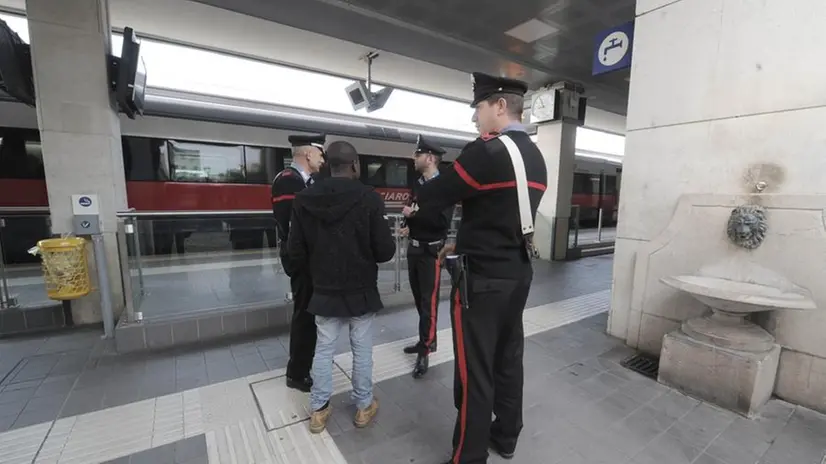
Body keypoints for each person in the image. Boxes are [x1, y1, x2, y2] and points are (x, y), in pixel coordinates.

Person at [415, 72, 548, 464]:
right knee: (508, 358)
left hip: (482, 282)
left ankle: (467, 457)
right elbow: (503, 213)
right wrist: (467, 238)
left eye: (478, 108)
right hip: (518, 272)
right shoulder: (536, 157)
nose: (475, 118)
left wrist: (428, 172)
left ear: (499, 106)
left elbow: (436, 196)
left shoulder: (486, 152)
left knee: (475, 371)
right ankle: (506, 436)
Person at [287, 140, 396, 434]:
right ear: (355, 165)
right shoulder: (370, 199)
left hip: (323, 289)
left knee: (323, 349)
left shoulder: (304, 199)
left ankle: (319, 410)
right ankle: (363, 407)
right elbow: (385, 251)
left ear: (326, 165)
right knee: (361, 349)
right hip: (361, 288)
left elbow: (294, 251)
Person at [271, 133, 326, 393]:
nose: (322, 159)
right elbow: (293, 227)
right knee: (304, 315)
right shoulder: (288, 182)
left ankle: (304, 365)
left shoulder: (306, 181)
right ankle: (297, 372)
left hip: (309, 257)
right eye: (319, 153)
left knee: (309, 313)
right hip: (301, 258)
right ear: (308, 154)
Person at [399, 134, 454, 379]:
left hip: (431, 251)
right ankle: (426, 340)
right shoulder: (419, 183)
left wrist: (414, 217)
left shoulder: (445, 187)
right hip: (414, 248)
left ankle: (425, 350)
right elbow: (415, 209)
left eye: (418, 154)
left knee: (428, 303)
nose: (414, 158)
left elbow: (441, 222)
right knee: (419, 301)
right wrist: (407, 225)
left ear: (430, 158)